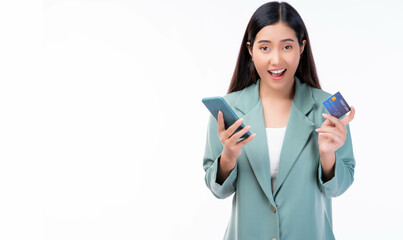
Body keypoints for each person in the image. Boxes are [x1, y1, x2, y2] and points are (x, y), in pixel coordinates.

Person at [202, 2, 356, 240]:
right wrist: (229, 157)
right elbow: (218, 190)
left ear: (301, 47)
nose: (276, 60)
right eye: (265, 48)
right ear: (250, 50)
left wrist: (328, 156)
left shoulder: (328, 107)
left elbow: (340, 186)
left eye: (286, 46)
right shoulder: (228, 110)